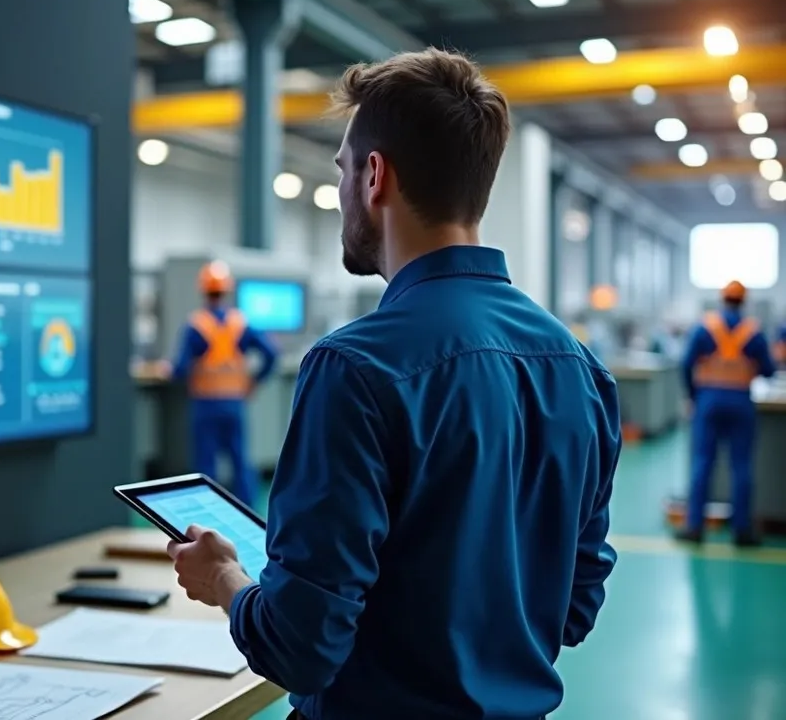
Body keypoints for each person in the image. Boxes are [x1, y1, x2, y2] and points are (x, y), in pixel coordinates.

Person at [165, 48, 622, 720]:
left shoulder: (354, 368)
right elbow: (574, 607)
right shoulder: (580, 368)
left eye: (342, 171)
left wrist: (225, 579)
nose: (342, 191)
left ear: (374, 176)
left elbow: (298, 647)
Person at [676, 281, 776, 547]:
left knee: (702, 463)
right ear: (743, 302)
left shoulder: (704, 328)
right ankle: (742, 530)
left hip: (708, 400)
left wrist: (693, 395)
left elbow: (686, 364)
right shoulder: (753, 332)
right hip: (741, 401)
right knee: (741, 465)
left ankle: (695, 527)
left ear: (722, 299)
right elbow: (769, 369)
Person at [170, 261, 277, 507]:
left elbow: (180, 368)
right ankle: (248, 511)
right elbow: (271, 354)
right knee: (240, 459)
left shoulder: (196, 326)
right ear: (227, 291)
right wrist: (254, 381)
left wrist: (169, 370)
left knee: (206, 463)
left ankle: (206, 510)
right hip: (234, 402)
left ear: (203, 290)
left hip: (205, 403)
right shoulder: (240, 324)